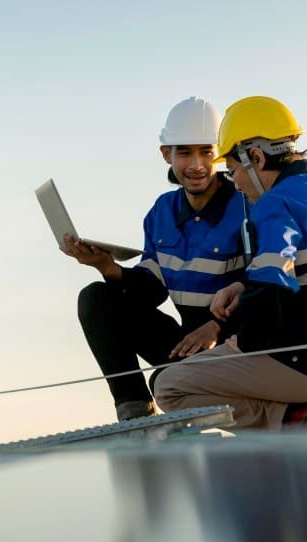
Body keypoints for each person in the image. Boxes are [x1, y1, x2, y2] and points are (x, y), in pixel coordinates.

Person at [153, 96, 307, 431]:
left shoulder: (275, 201)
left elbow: (272, 280)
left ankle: (292, 420)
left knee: (168, 386)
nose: (235, 184)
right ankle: (301, 417)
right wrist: (242, 286)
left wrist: (238, 340)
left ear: (256, 159)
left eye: (232, 171)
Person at [64, 97, 250, 421]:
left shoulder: (248, 204)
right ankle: (135, 416)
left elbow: (267, 283)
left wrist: (218, 326)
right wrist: (105, 266)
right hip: (187, 343)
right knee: (95, 297)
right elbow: (151, 292)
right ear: (167, 154)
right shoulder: (161, 212)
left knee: (162, 380)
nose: (196, 165)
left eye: (206, 152)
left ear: (219, 153)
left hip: (238, 342)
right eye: (184, 152)